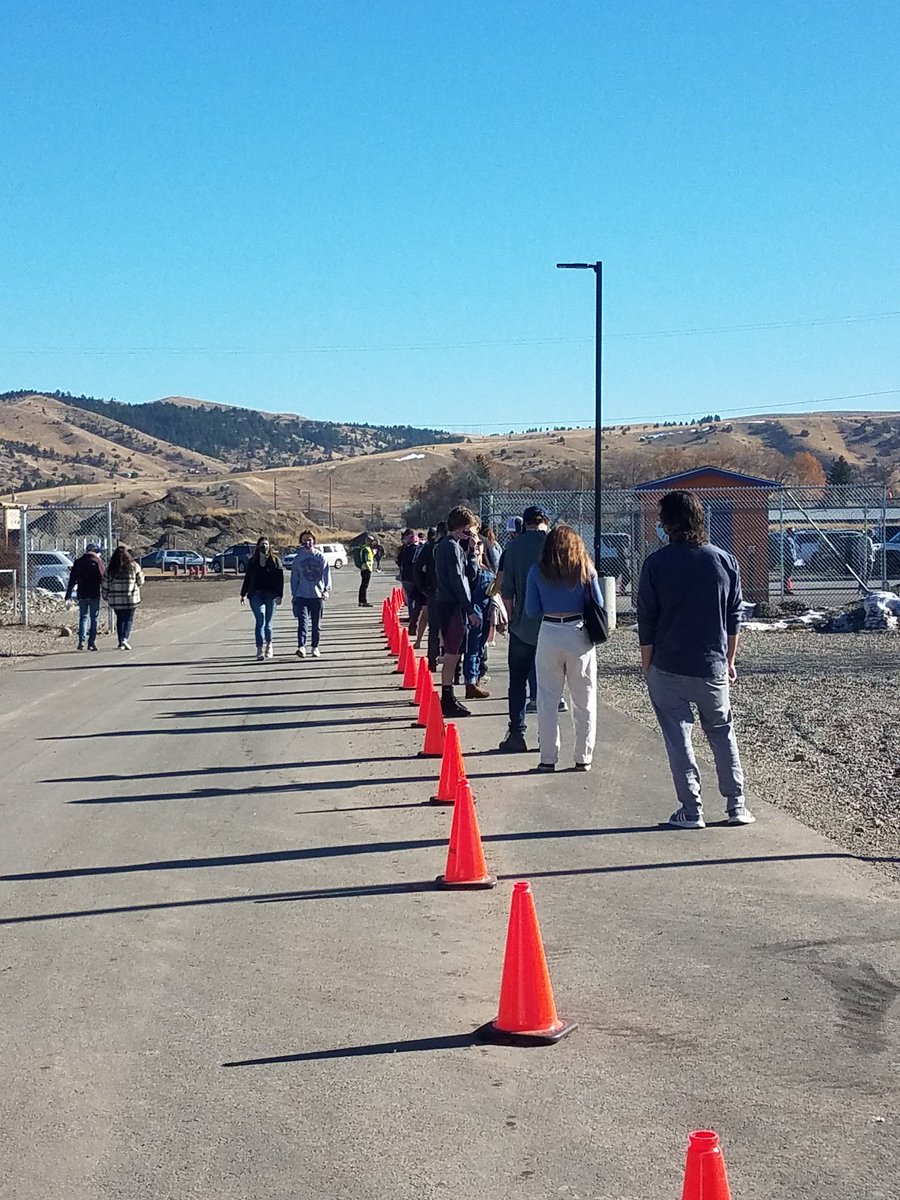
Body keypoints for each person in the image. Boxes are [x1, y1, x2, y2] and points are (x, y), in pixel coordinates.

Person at [637, 490, 754, 829]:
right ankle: (736, 804)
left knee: (677, 735)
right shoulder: (724, 561)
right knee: (721, 732)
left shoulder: (656, 564)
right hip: (712, 664)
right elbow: (734, 618)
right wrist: (729, 659)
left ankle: (692, 809)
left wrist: (648, 664)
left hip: (668, 663)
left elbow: (647, 619)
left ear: (668, 523)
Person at [525, 525, 602, 771]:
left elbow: (531, 610)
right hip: (579, 633)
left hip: (549, 632)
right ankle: (583, 756)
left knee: (547, 699)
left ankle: (548, 758)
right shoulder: (585, 569)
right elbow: (599, 603)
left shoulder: (537, 571)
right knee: (584, 698)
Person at [497, 505, 551, 752]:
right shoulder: (554, 543)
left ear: (524, 524)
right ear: (545, 521)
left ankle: (517, 732)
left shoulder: (512, 548)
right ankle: (547, 736)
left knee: (517, 681)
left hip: (522, 626)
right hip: (552, 624)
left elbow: (506, 591)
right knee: (548, 683)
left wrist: (510, 618)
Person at [433, 506, 482, 717]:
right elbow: (458, 581)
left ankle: (449, 695)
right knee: (452, 652)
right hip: (451, 604)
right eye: (469, 530)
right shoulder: (450, 547)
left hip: (451, 603)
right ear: (461, 528)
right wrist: (469, 609)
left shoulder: (454, 547)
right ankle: (446, 696)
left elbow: (469, 575)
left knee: (456, 651)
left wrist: (472, 553)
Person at [240, 536, 284, 661]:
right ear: (258, 547)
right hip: (256, 594)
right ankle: (259, 649)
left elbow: (280, 579)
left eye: (266, 544)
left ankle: (269, 645)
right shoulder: (253, 561)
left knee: (268, 623)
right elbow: (247, 578)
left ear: (269, 546)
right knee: (260, 620)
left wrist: (280, 595)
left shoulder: (275, 561)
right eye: (261, 544)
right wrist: (243, 594)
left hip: (271, 594)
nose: (264, 546)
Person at [462, 531, 494, 700]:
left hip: (486, 610)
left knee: (481, 647)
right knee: (472, 648)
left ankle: (477, 679)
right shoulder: (470, 565)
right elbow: (471, 576)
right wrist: (472, 553)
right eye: (474, 545)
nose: (478, 547)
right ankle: (470, 682)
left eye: (480, 545)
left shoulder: (487, 567)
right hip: (475, 610)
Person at [291, 530, 331, 657]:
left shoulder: (320, 557)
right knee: (302, 623)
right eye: (304, 539)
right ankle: (301, 646)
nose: (307, 542)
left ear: (314, 540)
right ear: (301, 542)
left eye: (309, 539)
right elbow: (294, 578)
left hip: (317, 595)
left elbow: (326, 574)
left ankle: (315, 647)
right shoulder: (298, 559)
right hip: (301, 595)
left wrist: (326, 590)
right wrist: (294, 595)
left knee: (316, 624)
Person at [413, 521, 446, 672]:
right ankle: (445, 658)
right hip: (443, 591)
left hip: (433, 591)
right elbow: (418, 567)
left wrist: (423, 587)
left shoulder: (430, 546)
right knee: (446, 627)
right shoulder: (449, 545)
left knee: (434, 628)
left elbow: (417, 567)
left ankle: (433, 660)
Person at [101, 545, 144, 651]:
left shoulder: (110, 569)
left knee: (120, 619)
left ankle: (121, 641)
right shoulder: (134, 566)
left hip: (116, 599)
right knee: (128, 619)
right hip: (131, 598)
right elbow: (140, 581)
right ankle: (125, 638)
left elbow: (105, 583)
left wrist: (105, 595)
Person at [65, 543, 104, 651]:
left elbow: (72, 579)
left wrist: (68, 594)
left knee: (83, 617)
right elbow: (102, 577)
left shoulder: (78, 562)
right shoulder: (97, 561)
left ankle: (81, 641)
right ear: (95, 551)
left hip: (82, 593)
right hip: (94, 593)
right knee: (94, 618)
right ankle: (91, 642)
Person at [396, 529, 422, 629]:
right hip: (417, 577)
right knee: (418, 599)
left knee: (410, 599)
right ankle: (417, 618)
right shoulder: (420, 548)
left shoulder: (405, 549)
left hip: (407, 577)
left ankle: (413, 618)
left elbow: (399, 561)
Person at [357, 535, 375, 606]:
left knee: (363, 586)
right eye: (371, 541)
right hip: (366, 569)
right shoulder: (366, 549)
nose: (372, 543)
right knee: (364, 586)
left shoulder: (366, 548)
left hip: (364, 568)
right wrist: (369, 568)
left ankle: (361, 601)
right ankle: (363, 601)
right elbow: (366, 560)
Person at [783, 526, 799, 595]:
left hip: (790, 558)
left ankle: (788, 588)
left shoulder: (791, 539)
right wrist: (792, 558)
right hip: (788, 559)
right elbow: (790, 551)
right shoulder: (788, 539)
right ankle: (786, 589)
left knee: (788, 574)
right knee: (787, 574)